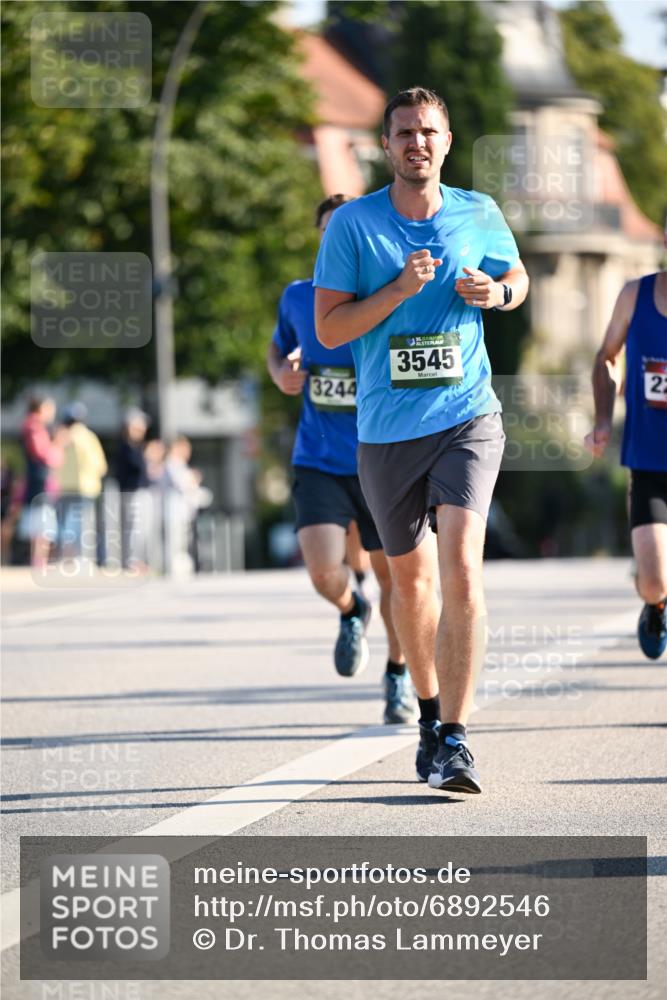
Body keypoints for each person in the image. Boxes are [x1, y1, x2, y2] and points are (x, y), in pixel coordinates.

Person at [314, 88, 529, 793]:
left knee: (462, 567)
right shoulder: (353, 225)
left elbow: (517, 277)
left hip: (468, 417)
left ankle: (458, 739)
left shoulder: (478, 211)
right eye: (404, 132)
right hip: (386, 431)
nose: (418, 143)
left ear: (446, 140)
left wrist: (497, 295)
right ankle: (430, 716)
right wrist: (397, 292)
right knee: (411, 583)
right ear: (386, 144)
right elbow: (329, 331)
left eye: (429, 131)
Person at [268, 194, 415, 725]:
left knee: (396, 580)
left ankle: (398, 673)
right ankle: (353, 609)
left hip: (382, 456)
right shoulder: (298, 297)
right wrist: (280, 373)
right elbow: (278, 348)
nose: (338, 239)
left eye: (346, 231)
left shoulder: (389, 293)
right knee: (323, 570)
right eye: (329, 231)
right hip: (319, 457)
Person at [585, 259, 667, 660]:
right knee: (654, 581)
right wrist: (603, 419)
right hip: (649, 463)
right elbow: (606, 357)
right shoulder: (635, 295)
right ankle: (656, 605)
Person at [57, 402, 108, 561]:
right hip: (86, 487)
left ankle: (63, 556)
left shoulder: (61, 436)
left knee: (64, 523)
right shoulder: (88, 437)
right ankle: (79, 557)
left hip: (64, 487)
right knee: (82, 524)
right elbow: (100, 465)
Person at [20, 395, 65, 568]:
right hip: (40, 484)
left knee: (40, 525)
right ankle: (39, 561)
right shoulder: (35, 428)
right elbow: (45, 455)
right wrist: (58, 446)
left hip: (36, 483)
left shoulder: (32, 426)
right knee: (42, 526)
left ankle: (38, 560)